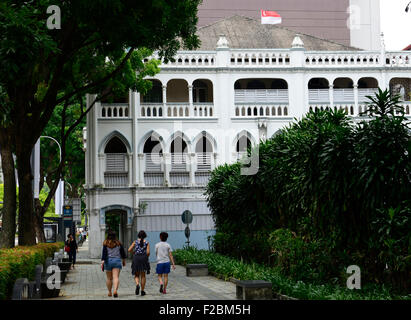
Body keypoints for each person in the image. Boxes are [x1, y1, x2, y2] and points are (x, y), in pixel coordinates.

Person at [101, 230, 126, 298]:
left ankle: (109, 292)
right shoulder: (118, 243)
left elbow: (104, 253)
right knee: (116, 277)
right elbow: (122, 253)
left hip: (108, 261)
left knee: (109, 278)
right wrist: (123, 260)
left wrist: (102, 261)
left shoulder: (105, 243)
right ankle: (115, 290)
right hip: (117, 261)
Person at [128, 230, 150, 296]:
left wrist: (134, 253)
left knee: (136, 275)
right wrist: (145, 257)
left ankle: (137, 284)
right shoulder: (147, 242)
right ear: (145, 236)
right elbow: (148, 252)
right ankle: (142, 291)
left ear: (138, 235)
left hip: (136, 258)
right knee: (143, 275)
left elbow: (129, 250)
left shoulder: (135, 242)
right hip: (143, 258)